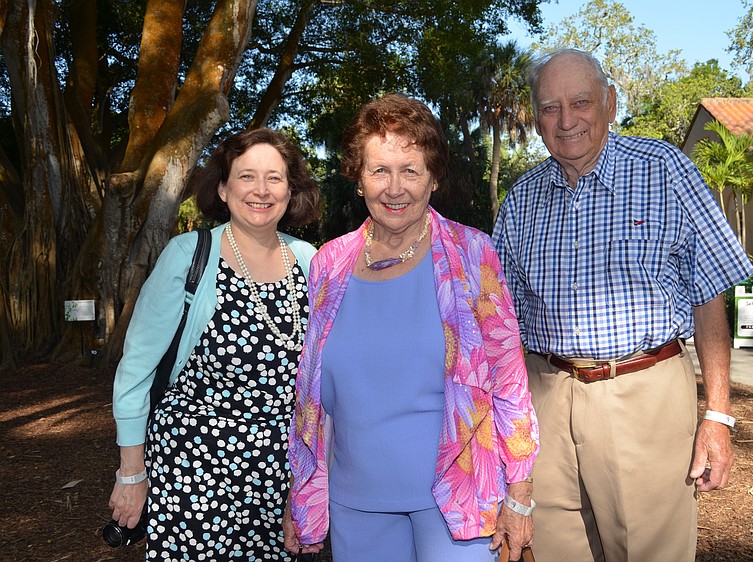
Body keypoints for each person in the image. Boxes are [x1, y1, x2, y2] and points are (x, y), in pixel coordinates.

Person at [492, 49, 753, 562]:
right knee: (554, 550)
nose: (566, 121)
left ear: (610, 103)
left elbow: (708, 294)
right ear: (537, 119)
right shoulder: (520, 200)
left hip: (644, 394)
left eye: (581, 102)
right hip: (546, 397)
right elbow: (502, 328)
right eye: (550, 108)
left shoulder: (665, 170)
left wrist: (718, 416)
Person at [284, 93, 539, 562]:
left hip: (457, 503)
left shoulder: (472, 254)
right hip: (355, 505)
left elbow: (509, 381)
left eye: (411, 170)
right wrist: (302, 492)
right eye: (379, 170)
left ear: (433, 178)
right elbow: (312, 398)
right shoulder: (329, 264)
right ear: (358, 178)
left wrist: (520, 492)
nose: (394, 188)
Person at [109, 128, 321, 561]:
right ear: (223, 189)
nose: (261, 190)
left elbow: (320, 383)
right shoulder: (188, 255)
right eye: (246, 176)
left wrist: (310, 483)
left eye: (275, 178)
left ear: (290, 190)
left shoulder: (311, 261)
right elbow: (135, 372)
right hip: (193, 472)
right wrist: (132, 474)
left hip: (280, 478)